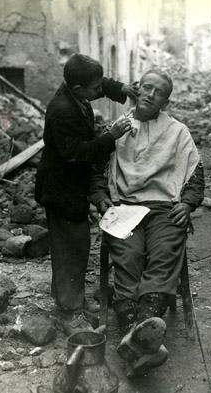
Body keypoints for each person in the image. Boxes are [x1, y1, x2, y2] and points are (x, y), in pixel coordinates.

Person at [90, 69, 205, 376]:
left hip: (163, 208)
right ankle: (139, 333)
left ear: (165, 101)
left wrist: (187, 202)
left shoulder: (177, 132)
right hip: (124, 206)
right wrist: (102, 199)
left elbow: (195, 173)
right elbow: (95, 170)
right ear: (137, 89)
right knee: (127, 255)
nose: (150, 94)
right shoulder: (118, 128)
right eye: (147, 87)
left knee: (164, 252)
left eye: (159, 92)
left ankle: (137, 334)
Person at [34, 53, 137, 334]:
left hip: (71, 187)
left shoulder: (76, 91)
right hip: (61, 189)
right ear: (79, 90)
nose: (99, 91)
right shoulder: (63, 110)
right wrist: (109, 137)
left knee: (73, 245)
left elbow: (100, 83)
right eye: (95, 89)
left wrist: (121, 89)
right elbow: (77, 154)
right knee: (71, 247)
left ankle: (69, 301)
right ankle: (69, 312)